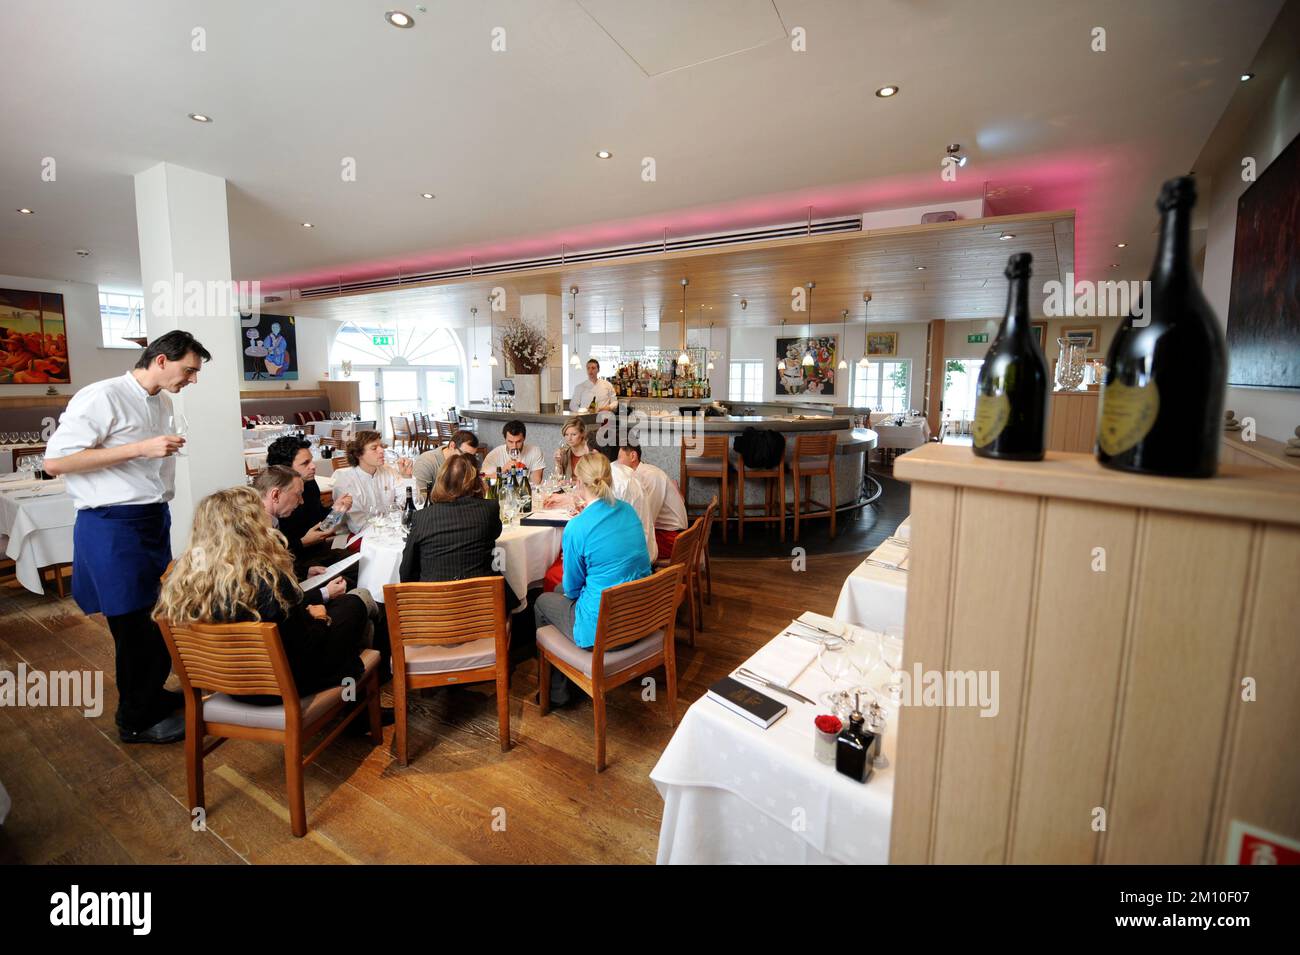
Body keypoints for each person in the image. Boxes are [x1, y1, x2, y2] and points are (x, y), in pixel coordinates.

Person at [43, 330, 211, 744]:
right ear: (160, 361)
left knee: (157, 616)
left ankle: (151, 694)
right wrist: (139, 449)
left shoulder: (164, 401)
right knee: (132, 624)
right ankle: (134, 720)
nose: (192, 379)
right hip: (112, 524)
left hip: (151, 519)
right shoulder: (101, 396)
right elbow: (55, 462)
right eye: (189, 370)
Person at [153, 487, 376, 703]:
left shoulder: (185, 578)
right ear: (252, 527)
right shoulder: (269, 580)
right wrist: (319, 618)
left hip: (226, 683)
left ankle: (355, 697)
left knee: (347, 608)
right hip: (279, 686)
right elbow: (304, 650)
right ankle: (356, 701)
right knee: (354, 605)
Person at [534, 453, 651, 705]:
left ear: (578, 483)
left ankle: (557, 692)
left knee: (542, 601)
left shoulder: (577, 527)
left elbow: (574, 589)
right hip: (641, 616)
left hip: (605, 631)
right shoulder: (628, 511)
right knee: (557, 588)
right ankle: (563, 680)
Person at [399, 453, 523, 611]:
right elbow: (495, 533)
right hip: (483, 609)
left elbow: (406, 572)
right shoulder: (488, 509)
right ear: (475, 482)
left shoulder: (421, 517)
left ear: (440, 482)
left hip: (435, 612)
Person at [265, 434, 353, 574]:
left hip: (319, 552)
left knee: (363, 563)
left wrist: (337, 510)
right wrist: (303, 542)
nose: (313, 466)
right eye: (305, 463)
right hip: (295, 562)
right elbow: (272, 553)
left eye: (311, 461)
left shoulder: (310, 484)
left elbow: (321, 523)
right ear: (285, 469)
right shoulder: (275, 501)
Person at [331, 429, 415, 534]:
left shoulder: (388, 471)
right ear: (358, 454)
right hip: (358, 536)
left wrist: (406, 477)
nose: (382, 450)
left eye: (381, 446)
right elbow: (358, 526)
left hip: (391, 530)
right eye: (374, 448)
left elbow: (412, 504)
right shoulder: (346, 482)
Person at [617, 444, 688, 558]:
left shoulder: (649, 476)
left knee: (623, 545)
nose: (617, 464)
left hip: (672, 538)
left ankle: (643, 574)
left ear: (633, 456)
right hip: (666, 533)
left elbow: (647, 519)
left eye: (619, 457)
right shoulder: (641, 474)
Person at [412, 428, 479, 497]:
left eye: (472, 456)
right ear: (452, 446)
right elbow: (421, 496)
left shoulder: (467, 462)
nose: (469, 461)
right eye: (465, 455)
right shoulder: (426, 462)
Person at [482, 420, 545, 484]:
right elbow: (483, 480)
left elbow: (536, 483)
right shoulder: (494, 455)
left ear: (524, 438)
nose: (514, 446)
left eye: (518, 442)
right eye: (510, 442)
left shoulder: (535, 452)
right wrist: (503, 470)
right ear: (505, 439)